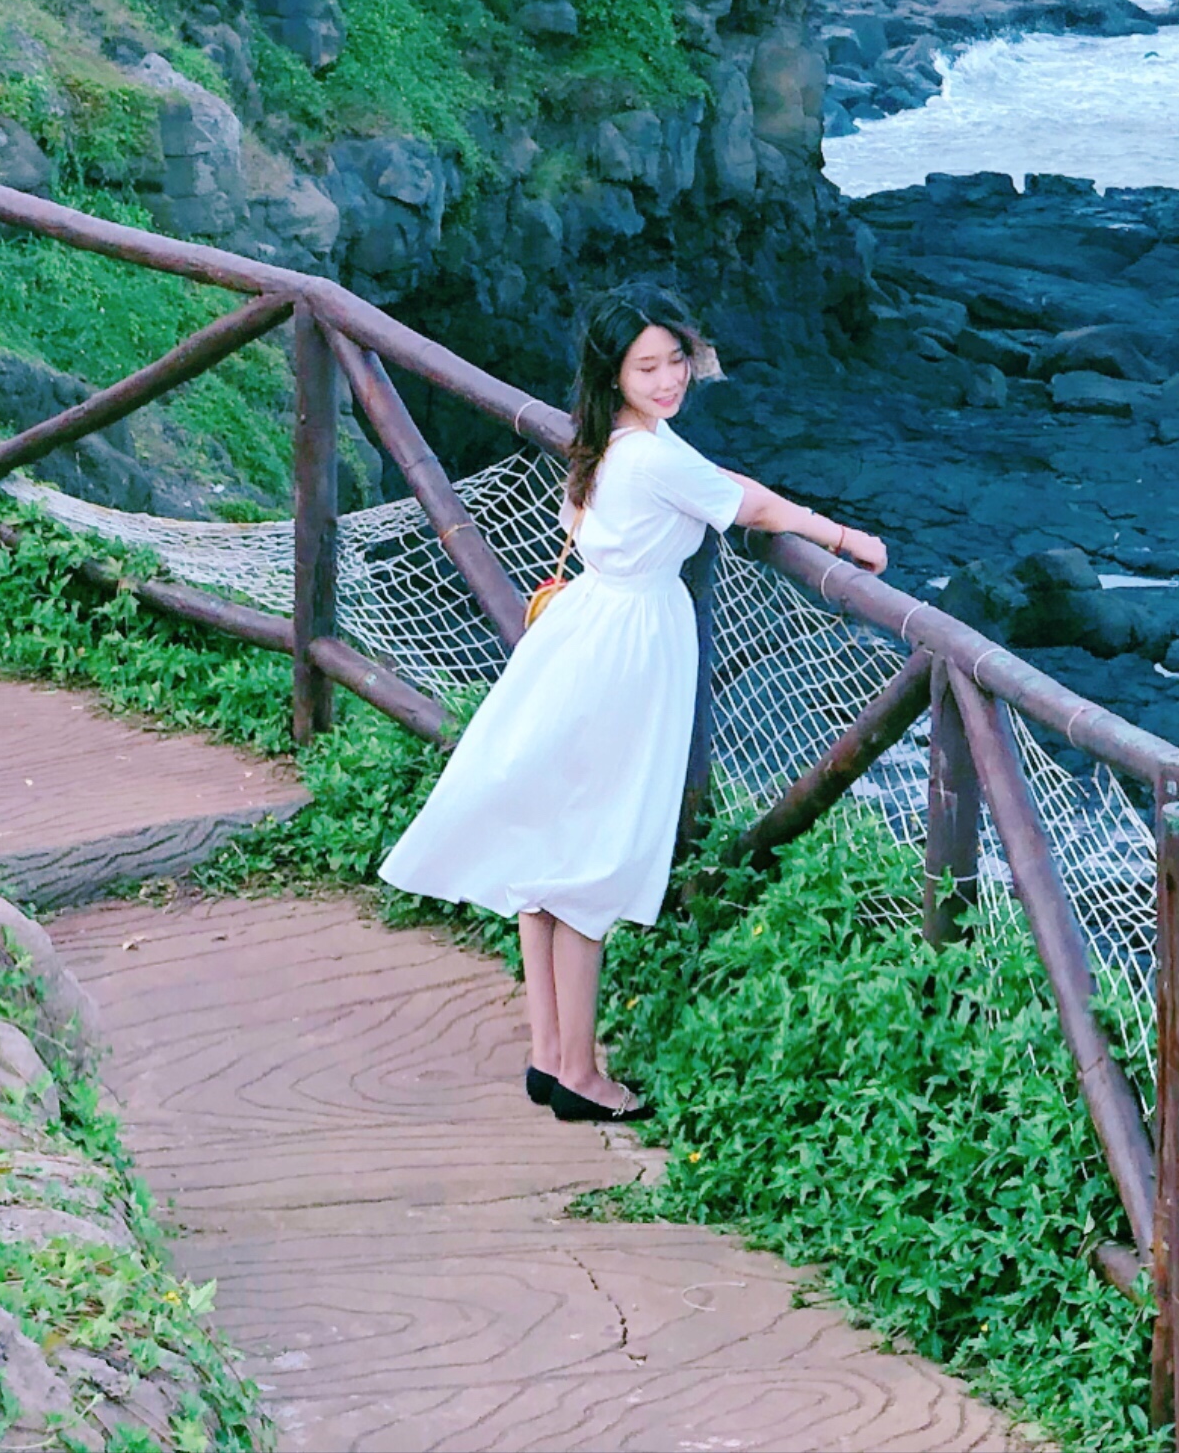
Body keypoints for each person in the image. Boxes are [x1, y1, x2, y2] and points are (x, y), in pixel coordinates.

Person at [380, 285, 888, 1122]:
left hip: (586, 633)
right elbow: (746, 503)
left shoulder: (608, 442)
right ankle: (580, 1073)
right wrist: (843, 537)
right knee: (591, 857)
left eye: (676, 361)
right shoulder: (650, 455)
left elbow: (710, 479)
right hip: (625, 647)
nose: (668, 379)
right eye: (647, 367)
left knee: (553, 855)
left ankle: (550, 1057)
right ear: (614, 375)